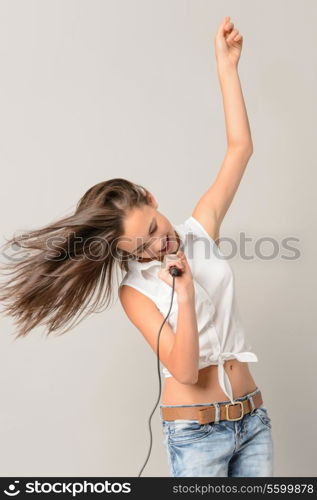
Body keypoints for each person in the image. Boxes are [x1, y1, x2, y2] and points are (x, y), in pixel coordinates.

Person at [0, 16, 273, 477]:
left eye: (151, 227)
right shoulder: (136, 291)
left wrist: (226, 67)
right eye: (139, 246)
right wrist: (183, 295)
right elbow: (185, 372)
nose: (155, 244)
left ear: (151, 197)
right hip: (196, 434)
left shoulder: (199, 230)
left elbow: (239, 149)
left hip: (253, 419)